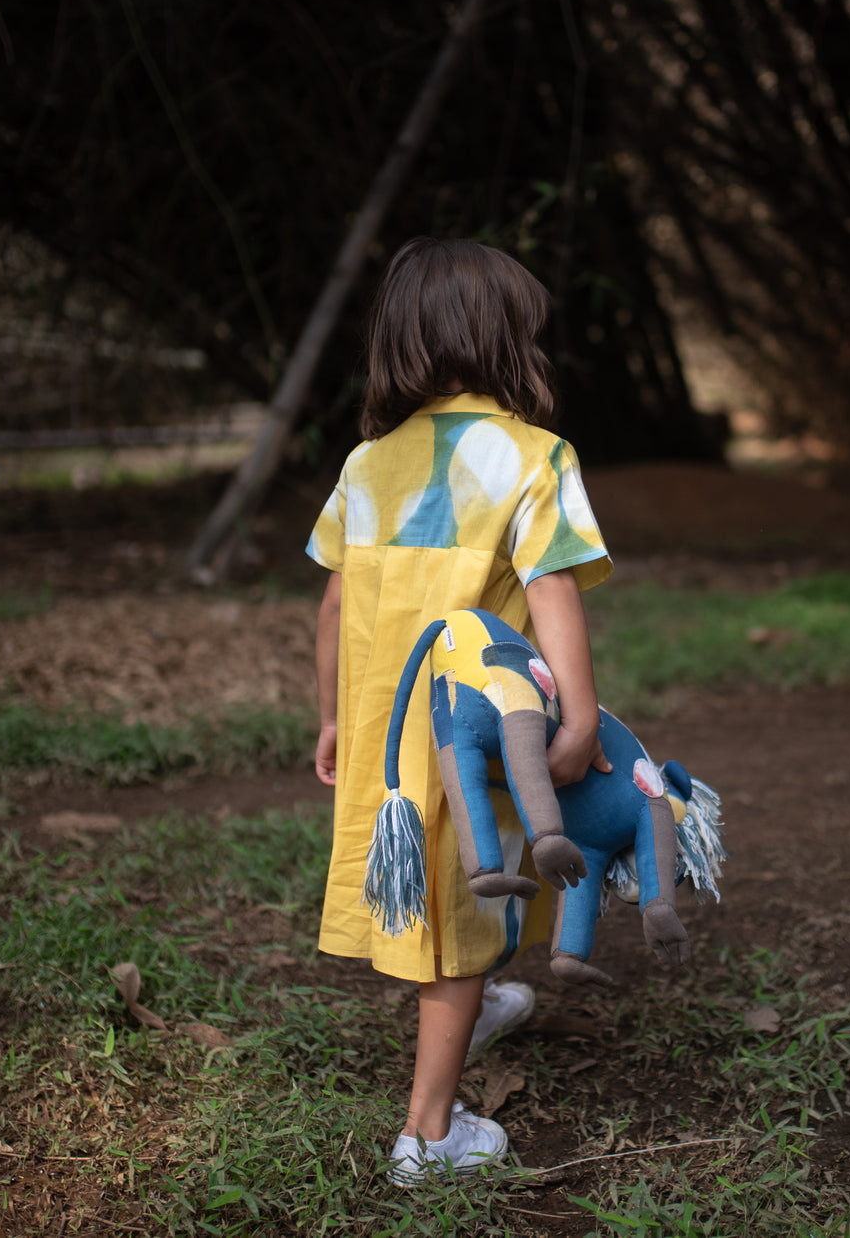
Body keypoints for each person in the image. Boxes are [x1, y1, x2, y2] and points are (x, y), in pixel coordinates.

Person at [306, 237, 613, 1185]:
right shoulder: (534, 457)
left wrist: (329, 717)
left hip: (383, 732)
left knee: (442, 893)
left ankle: (470, 1011)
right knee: (465, 902)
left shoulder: (368, 465)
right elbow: (551, 590)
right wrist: (584, 717)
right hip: (470, 731)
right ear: (504, 344)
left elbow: (335, 604)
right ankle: (430, 1136)